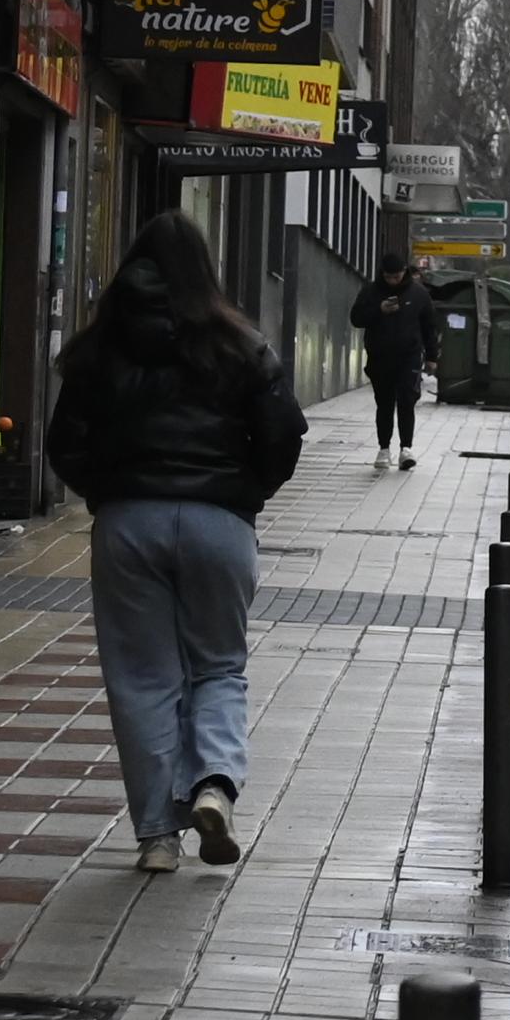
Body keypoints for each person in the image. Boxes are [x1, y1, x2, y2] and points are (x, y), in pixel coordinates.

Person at [49, 216, 304, 877]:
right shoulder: (239, 343)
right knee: (218, 665)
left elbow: (64, 444)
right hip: (221, 521)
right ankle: (215, 783)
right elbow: (283, 432)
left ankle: (157, 835)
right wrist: (246, 492)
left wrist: (110, 492)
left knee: (142, 679)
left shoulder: (98, 348)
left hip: (129, 523)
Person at [350, 263, 445, 468]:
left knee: (406, 401)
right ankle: (384, 449)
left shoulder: (418, 294)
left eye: (396, 276)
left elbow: (429, 326)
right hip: (379, 357)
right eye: (388, 276)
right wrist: (379, 310)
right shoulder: (371, 291)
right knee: (384, 403)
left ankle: (406, 449)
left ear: (404, 272)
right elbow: (356, 318)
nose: (392, 280)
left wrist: (431, 357)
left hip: (409, 357)